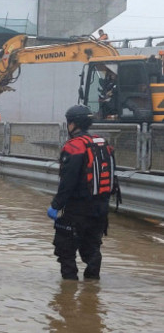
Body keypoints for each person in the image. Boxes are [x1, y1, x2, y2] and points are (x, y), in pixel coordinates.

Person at [47, 105, 115, 280]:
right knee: (92, 250)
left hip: (77, 209)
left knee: (65, 250)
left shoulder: (74, 146)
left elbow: (68, 181)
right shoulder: (102, 143)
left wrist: (56, 205)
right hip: (100, 208)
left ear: (72, 124)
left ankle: (68, 297)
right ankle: (92, 293)